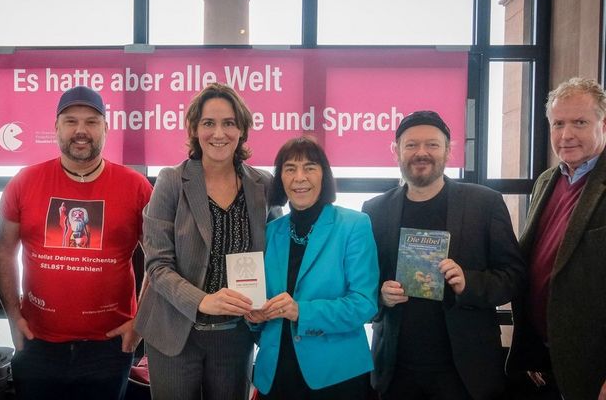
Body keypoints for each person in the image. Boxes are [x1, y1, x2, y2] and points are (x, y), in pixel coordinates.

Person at [0, 86, 152, 400]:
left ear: (106, 128)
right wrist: (14, 317)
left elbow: (160, 260)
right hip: (37, 342)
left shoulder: (136, 187)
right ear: (55, 128)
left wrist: (140, 323)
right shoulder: (24, 182)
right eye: (70, 121)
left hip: (109, 346)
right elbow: (4, 251)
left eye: (92, 122)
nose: (81, 130)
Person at [361, 110, 525, 400]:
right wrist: (380, 296)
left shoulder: (484, 204)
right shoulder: (374, 210)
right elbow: (362, 284)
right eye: (411, 145)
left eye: (433, 145)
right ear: (395, 151)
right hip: (396, 371)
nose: (421, 153)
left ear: (449, 151)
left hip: (466, 373)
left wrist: (468, 283)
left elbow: (513, 276)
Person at [134, 83, 275, 400]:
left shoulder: (262, 185)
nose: (219, 133)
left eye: (228, 123)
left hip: (234, 336)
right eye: (208, 123)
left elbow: (277, 253)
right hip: (174, 333)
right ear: (195, 129)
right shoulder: (172, 180)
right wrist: (201, 300)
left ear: (241, 129)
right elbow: (157, 265)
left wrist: (266, 300)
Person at [249, 136, 379, 399]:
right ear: (280, 179)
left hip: (336, 375)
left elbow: (365, 304)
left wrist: (301, 311)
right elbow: (259, 303)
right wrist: (254, 317)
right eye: (289, 169)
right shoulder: (270, 232)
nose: (299, 177)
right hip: (275, 375)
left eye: (309, 167)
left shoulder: (354, 225)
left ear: (324, 175)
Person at [507, 77, 606, 400]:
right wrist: (533, 348)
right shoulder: (547, 180)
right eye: (558, 123)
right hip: (546, 359)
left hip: (593, 367)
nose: (566, 135)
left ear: (602, 124)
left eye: (579, 122)